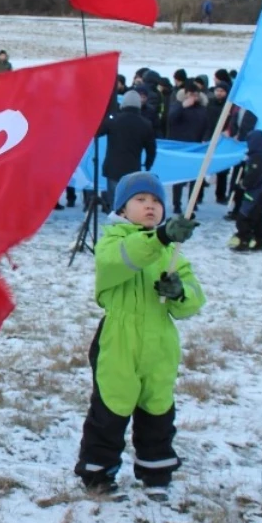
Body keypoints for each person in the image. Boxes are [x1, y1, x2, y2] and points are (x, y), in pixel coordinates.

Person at [75, 172, 203, 499]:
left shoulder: (170, 253)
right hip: (119, 339)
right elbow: (121, 261)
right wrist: (160, 238)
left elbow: (192, 302)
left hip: (159, 341)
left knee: (158, 407)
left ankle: (156, 470)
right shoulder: (112, 241)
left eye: (157, 201)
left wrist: (179, 293)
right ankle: (98, 473)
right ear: (122, 209)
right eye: (141, 200)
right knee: (112, 407)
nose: (150, 206)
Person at [96, 90, 156, 211]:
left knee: (114, 200)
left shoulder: (114, 120)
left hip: (112, 168)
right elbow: (151, 149)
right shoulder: (146, 124)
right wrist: (148, 165)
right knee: (129, 200)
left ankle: (115, 224)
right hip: (133, 168)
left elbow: (97, 132)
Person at [167, 81, 210, 213]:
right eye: (191, 94)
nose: (193, 97)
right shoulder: (177, 105)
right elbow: (170, 119)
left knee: (195, 177)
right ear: (185, 94)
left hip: (196, 147)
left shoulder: (202, 109)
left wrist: (205, 138)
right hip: (179, 147)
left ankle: (193, 202)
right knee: (179, 178)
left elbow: (208, 125)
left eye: (196, 95)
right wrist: (182, 107)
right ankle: (177, 204)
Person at [232, 130, 262, 252]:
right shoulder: (258, 156)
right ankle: (260, 240)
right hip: (260, 192)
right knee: (258, 217)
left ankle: (244, 241)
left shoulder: (256, 159)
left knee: (244, 216)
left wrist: (244, 184)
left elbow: (253, 175)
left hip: (254, 193)